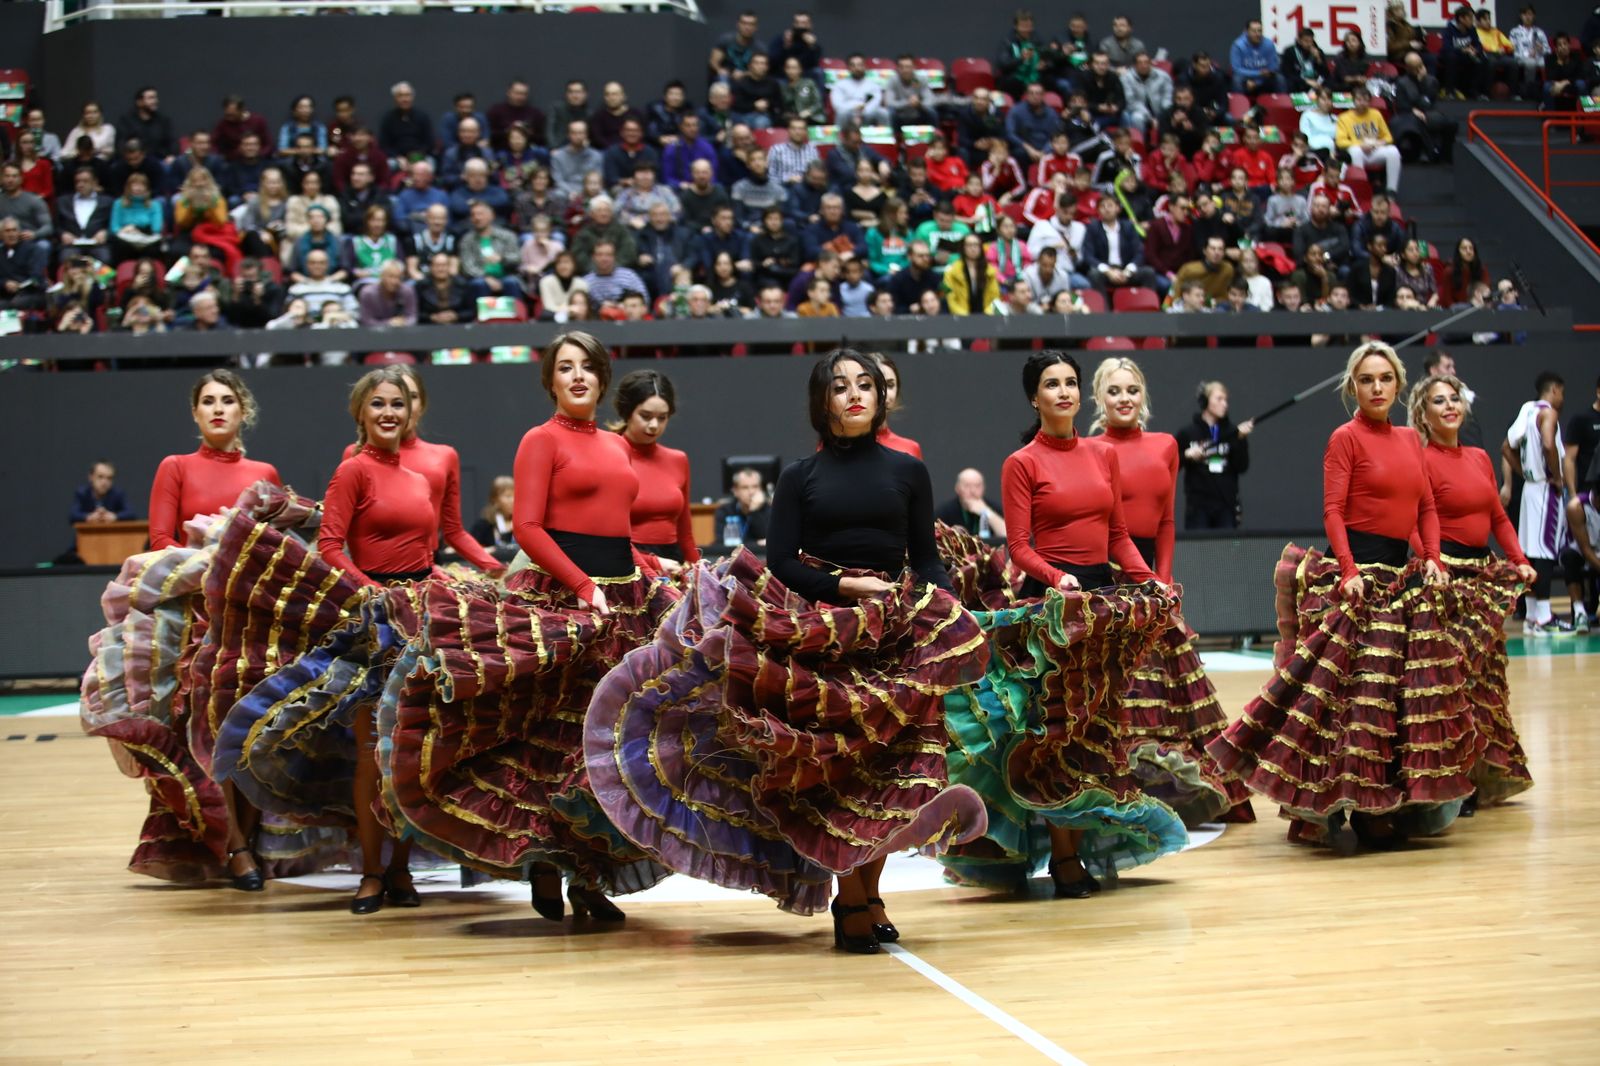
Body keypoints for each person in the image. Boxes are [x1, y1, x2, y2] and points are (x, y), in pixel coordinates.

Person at [585, 348, 989, 953]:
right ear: (821, 402)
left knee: (894, 772)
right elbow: (782, 564)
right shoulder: (802, 476)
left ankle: (866, 895)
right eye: (841, 386)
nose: (855, 394)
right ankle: (852, 899)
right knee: (844, 776)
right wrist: (844, 586)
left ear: (881, 396)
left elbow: (926, 558)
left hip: (894, 631)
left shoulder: (909, 470)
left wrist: (948, 610)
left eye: (866, 385)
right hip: (821, 636)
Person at [937, 350, 1185, 898]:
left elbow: (1118, 534)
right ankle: (1065, 858)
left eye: (1072, 382)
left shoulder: (1102, 454)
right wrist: (1057, 577)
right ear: (1035, 397)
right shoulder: (1021, 462)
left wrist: (1149, 580)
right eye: (1053, 384)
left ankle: (1075, 849)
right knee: (1051, 734)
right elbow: (1020, 547)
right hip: (1049, 609)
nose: (1065, 392)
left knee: (1093, 731)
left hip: (1099, 605)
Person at [1209, 342, 1471, 855]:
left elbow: (1425, 508)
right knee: (1357, 704)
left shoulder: (1411, 438)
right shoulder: (1345, 438)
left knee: (1404, 698)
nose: (1376, 388)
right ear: (1353, 387)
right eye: (1366, 379)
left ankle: (1392, 802)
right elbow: (1333, 511)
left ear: (1398, 385)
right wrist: (1349, 570)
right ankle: (1359, 809)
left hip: (1403, 574)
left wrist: (1435, 558)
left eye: (1385, 379)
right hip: (1358, 576)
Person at [1090, 357, 1252, 824]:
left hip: (1153, 584)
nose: (1124, 399)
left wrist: (1164, 580)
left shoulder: (1165, 445)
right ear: (1099, 398)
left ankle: (1168, 788)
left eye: (1132, 390)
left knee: (1166, 682)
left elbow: (1164, 520)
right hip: (1107, 577)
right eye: (1115, 391)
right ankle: (1118, 785)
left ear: (1144, 396)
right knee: (1122, 686)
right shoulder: (1088, 448)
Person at [138, 371, 281, 887]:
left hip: (251, 621)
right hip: (197, 622)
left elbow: (276, 549)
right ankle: (235, 847)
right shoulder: (174, 467)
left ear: (244, 411)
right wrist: (212, 563)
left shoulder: (263, 471)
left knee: (250, 737)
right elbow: (159, 541)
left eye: (227, 400)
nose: (218, 409)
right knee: (204, 734)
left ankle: (248, 840)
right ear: (195, 413)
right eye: (207, 402)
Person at [1408, 373, 1536, 808]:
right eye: (1438, 402)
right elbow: (1413, 516)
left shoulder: (1481, 457)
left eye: (1454, 399)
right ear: (1423, 416)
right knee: (1453, 681)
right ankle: (1452, 782)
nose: (1449, 407)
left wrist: (1518, 558)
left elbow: (1498, 517)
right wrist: (1432, 560)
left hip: (1483, 576)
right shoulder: (1421, 458)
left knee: (1485, 680)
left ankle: (1481, 774)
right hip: (1445, 578)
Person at [1505, 372, 1575, 633]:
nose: (1562, 399)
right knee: (1545, 552)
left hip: (1529, 490)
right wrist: (1557, 477)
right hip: (1545, 488)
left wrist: (1523, 474)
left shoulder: (1526, 410)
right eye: (1562, 393)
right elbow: (1548, 444)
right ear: (1555, 390)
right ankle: (1544, 617)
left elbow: (1505, 446)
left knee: (1531, 554)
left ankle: (1533, 616)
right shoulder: (1548, 412)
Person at [613, 370, 700, 567]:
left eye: (662, 418)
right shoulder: (610, 455)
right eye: (645, 416)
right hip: (627, 563)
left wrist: (700, 572)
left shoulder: (678, 459)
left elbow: (685, 533)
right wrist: (653, 562)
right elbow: (604, 536)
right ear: (627, 412)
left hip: (673, 562)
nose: (654, 425)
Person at [1174, 381, 1254, 529]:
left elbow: (1242, 466)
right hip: (1198, 506)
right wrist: (1186, 455)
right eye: (1219, 399)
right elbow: (1171, 465)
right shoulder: (1188, 433)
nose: (1224, 404)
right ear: (1205, 401)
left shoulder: (1233, 432)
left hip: (1226, 504)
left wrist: (1240, 440)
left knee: (1225, 549)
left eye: (1226, 400)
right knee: (1199, 547)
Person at [1336, 88, 1403, 194]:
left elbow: (1388, 137)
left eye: (1365, 100)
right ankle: (1361, 188)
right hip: (1358, 152)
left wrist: (1379, 143)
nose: (1362, 103)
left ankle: (1391, 190)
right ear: (1353, 101)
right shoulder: (1344, 117)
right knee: (1355, 151)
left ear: (1369, 102)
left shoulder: (1376, 114)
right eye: (1359, 100)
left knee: (1394, 151)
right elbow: (1340, 142)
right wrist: (1361, 145)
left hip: (1375, 149)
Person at [935, 467, 1007, 541]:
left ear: (984, 488)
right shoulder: (945, 511)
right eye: (967, 486)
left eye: (977, 486)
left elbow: (1006, 534)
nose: (972, 491)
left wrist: (986, 512)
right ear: (957, 488)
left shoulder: (993, 508)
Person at [712, 466, 771, 549]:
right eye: (745, 487)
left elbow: (769, 541)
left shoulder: (770, 510)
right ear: (735, 491)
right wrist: (756, 544)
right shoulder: (724, 511)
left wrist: (754, 511)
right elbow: (721, 545)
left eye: (755, 486)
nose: (751, 492)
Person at [71, 460, 136, 525]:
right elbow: (73, 515)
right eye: (100, 477)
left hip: (111, 533)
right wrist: (89, 517)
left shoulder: (118, 494)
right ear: (91, 477)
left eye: (109, 478)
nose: (104, 482)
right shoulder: (83, 493)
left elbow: (131, 513)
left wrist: (115, 516)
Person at [1230, 18, 1285, 94]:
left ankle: (1281, 104)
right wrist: (1258, 74)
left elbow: (1273, 67)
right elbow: (1237, 69)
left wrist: (1257, 82)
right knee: (1237, 79)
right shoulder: (1238, 45)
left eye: (1259, 31)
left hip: (1264, 79)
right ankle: (1241, 105)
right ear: (1246, 32)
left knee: (1279, 78)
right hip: (1246, 78)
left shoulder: (1269, 44)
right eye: (1253, 31)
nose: (1257, 34)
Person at [472, 475, 518, 557]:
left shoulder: (524, 525)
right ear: (495, 499)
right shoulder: (482, 526)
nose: (513, 500)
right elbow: (471, 552)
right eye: (508, 496)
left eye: (516, 495)